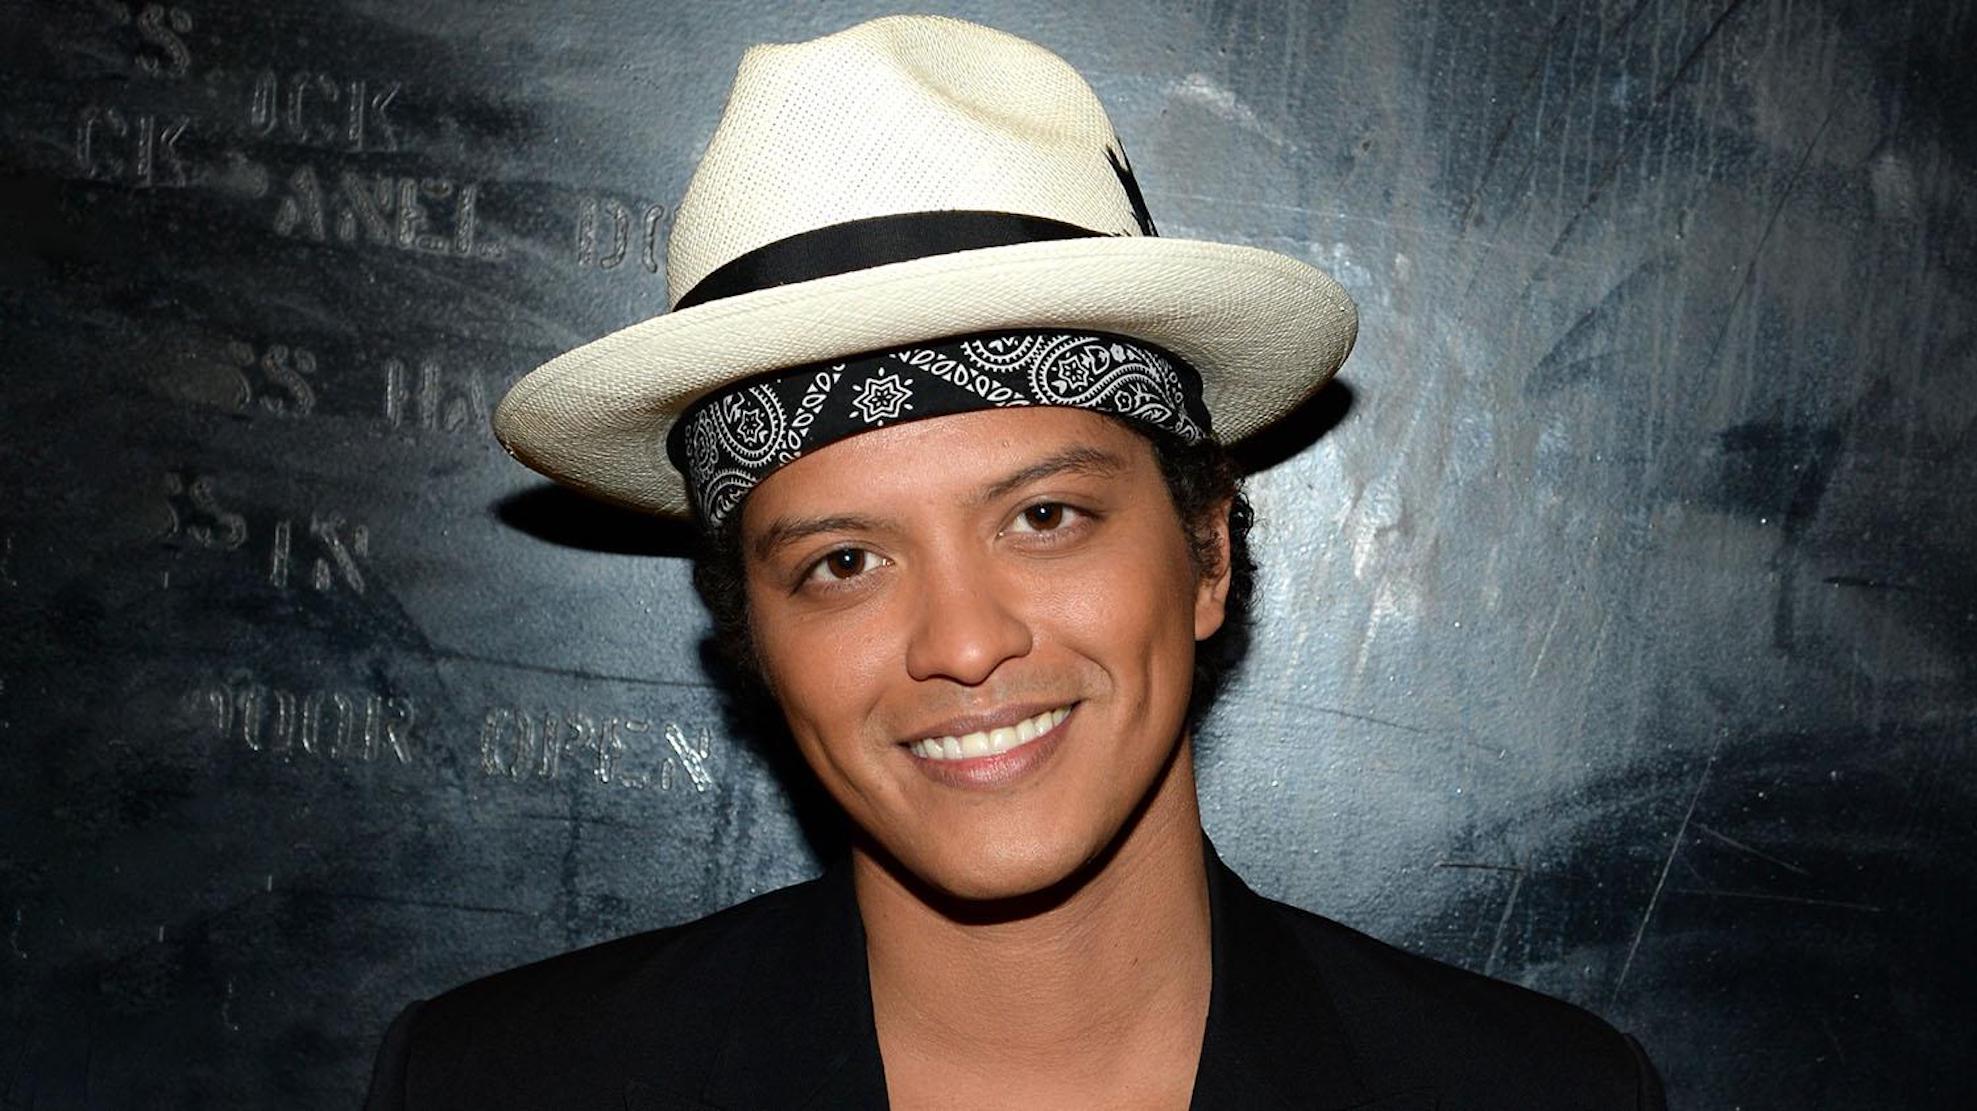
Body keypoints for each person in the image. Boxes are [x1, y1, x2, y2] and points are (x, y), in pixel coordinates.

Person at [364, 14, 1665, 1110]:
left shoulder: (1538, 1095)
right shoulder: (498, 1087)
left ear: (1207, 549)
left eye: (1043, 517)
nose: (964, 641)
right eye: (842, 562)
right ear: (753, 638)